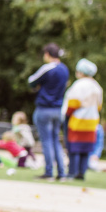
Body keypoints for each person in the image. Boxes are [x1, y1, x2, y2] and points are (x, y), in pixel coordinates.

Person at [28, 43, 70, 180]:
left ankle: (49, 172)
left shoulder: (48, 67)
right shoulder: (65, 70)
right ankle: (62, 172)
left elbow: (31, 81)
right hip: (58, 110)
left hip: (45, 109)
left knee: (46, 141)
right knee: (55, 140)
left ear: (47, 54)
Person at [62, 58, 103, 180]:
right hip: (92, 121)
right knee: (85, 148)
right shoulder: (97, 87)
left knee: (74, 147)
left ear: (80, 72)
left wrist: (67, 115)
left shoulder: (79, 85)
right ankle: (81, 173)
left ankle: (72, 172)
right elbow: (99, 106)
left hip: (77, 120)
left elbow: (73, 103)